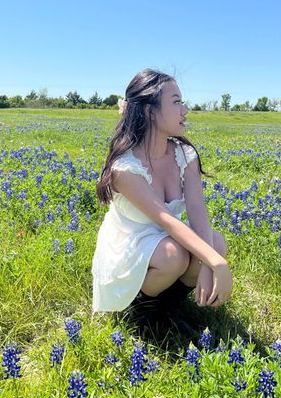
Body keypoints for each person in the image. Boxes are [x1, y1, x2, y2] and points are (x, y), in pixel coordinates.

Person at [92, 69, 233, 333]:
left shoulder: (184, 153)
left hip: (167, 241)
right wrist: (215, 263)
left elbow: (197, 212)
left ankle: (167, 308)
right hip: (130, 246)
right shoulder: (125, 169)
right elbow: (167, 221)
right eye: (177, 102)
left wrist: (210, 260)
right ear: (150, 111)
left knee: (217, 243)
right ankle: (140, 310)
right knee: (175, 255)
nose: (185, 110)